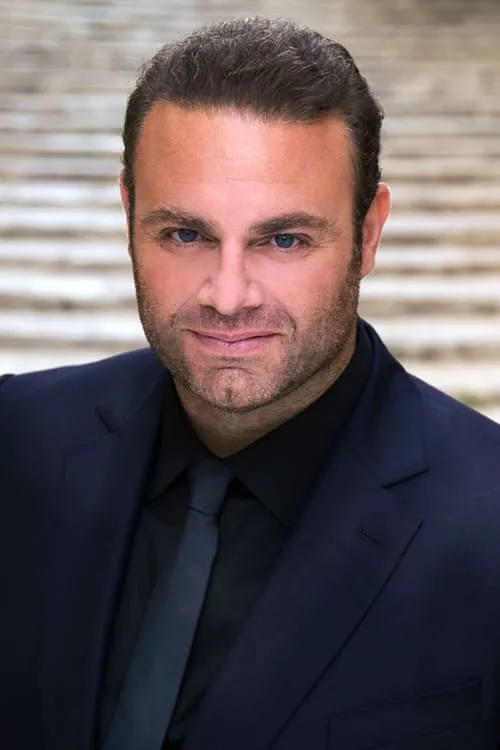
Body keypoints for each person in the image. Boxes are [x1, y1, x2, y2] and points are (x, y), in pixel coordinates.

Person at [2, 15, 500, 750]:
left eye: (285, 240)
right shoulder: (16, 439)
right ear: (129, 214)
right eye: (186, 234)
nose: (228, 296)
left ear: (368, 235)